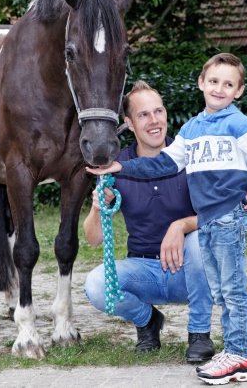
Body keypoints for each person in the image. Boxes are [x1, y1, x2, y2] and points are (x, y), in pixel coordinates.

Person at [86, 53, 247, 385]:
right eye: (213, 81)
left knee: (231, 288)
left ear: (239, 91)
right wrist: (115, 176)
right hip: (177, 246)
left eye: (228, 84)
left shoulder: (230, 126)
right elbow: (162, 165)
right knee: (224, 291)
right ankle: (218, 346)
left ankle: (229, 350)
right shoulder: (192, 132)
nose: (219, 89)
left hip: (216, 234)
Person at [83, 80, 215, 363]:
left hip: (191, 272)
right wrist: (97, 208)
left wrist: (180, 226)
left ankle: (199, 334)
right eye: (144, 115)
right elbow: (94, 239)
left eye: (158, 111)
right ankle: (148, 322)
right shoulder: (119, 165)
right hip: (145, 271)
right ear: (129, 123)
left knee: (199, 243)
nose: (154, 121)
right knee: (95, 285)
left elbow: (217, 216)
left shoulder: (190, 155)